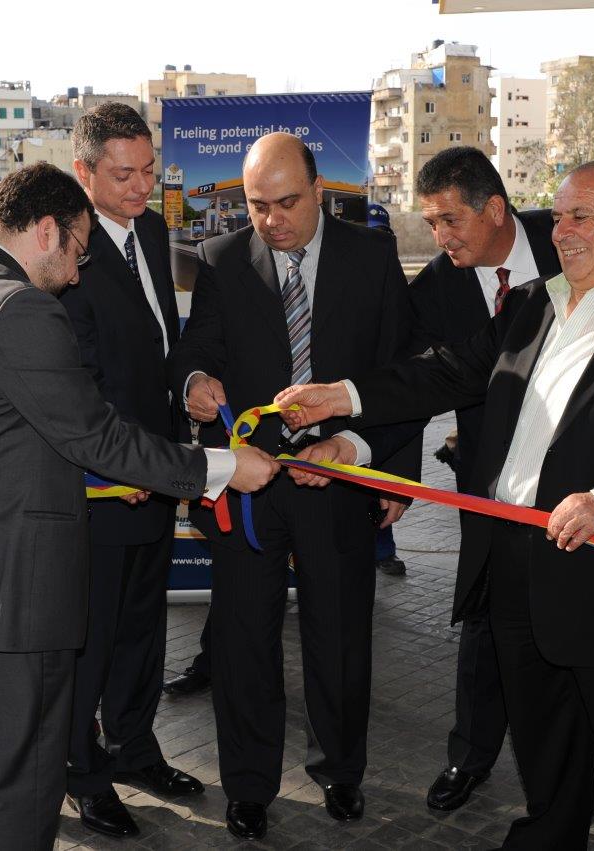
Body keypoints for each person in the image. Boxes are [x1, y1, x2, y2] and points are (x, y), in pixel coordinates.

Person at [277, 160, 594, 849]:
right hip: (516, 571)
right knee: (544, 746)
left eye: (581, 216)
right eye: (557, 217)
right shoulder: (531, 304)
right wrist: (343, 397)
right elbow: (444, 373)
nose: (562, 231)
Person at [0, 163, 279, 849]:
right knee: (23, 777)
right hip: (11, 594)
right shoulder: (21, 308)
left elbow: (3, 434)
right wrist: (221, 467)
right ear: (47, 231)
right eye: (77, 250)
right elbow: (95, 434)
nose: (76, 272)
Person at [168, 132, 416, 840]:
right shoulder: (221, 259)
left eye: (286, 203)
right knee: (244, 640)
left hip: (341, 476)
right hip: (249, 486)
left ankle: (340, 771)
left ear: (319, 191)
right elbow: (194, 351)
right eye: (257, 205)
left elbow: (402, 372)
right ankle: (248, 784)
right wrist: (194, 382)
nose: (272, 220)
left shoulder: (371, 256)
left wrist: (393, 470)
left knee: (340, 635)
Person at [57, 103, 202, 839]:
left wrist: (190, 383)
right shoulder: (65, 250)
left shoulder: (148, 229)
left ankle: (135, 748)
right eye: (123, 174)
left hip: (155, 472)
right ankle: (82, 774)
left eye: (149, 170)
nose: (142, 186)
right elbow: (81, 383)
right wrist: (125, 463)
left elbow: (158, 344)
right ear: (84, 173)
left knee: (145, 626)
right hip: (103, 481)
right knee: (93, 636)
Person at [406, 147, 560, 814]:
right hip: (489, 482)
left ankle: (570, 768)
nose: (440, 238)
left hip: (575, 476)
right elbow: (409, 384)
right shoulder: (434, 289)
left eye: (449, 220)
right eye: (430, 223)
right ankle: (470, 755)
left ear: (495, 209)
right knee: (486, 618)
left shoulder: (567, 238)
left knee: (568, 622)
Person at [362, 202, 414, 578]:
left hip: (383, 402)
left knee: (381, 479)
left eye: (383, 237)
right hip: (346, 403)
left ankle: (383, 548)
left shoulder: (396, 282)